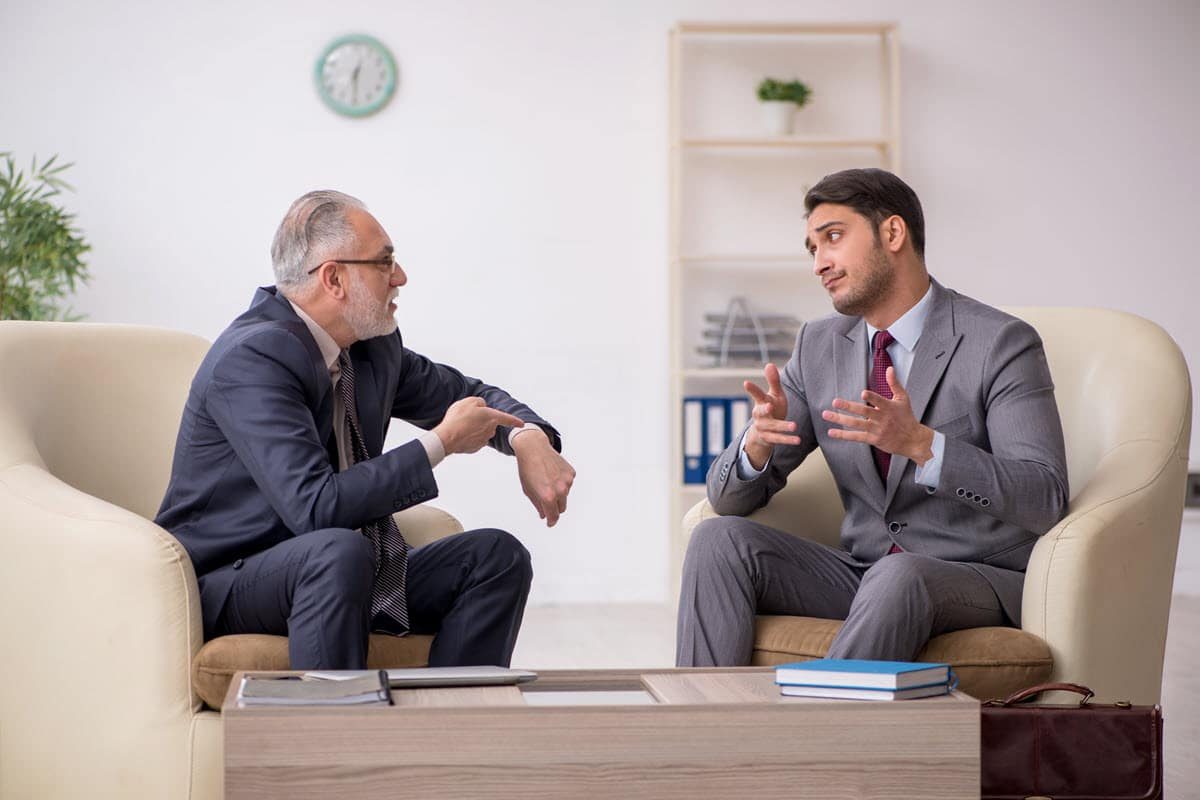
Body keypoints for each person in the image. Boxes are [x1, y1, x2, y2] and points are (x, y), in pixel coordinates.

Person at [156, 189, 576, 670]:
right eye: (385, 262)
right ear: (334, 278)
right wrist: (441, 443)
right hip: (234, 579)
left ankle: (454, 728)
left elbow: (467, 393)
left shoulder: (372, 348)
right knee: (336, 550)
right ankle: (344, 737)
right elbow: (315, 508)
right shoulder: (253, 358)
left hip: (344, 568)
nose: (400, 277)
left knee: (495, 558)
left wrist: (528, 437)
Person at [676, 168, 1068, 666]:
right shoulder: (818, 345)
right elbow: (727, 499)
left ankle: (820, 740)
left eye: (833, 238)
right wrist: (756, 445)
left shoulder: (1000, 342)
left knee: (898, 575)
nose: (820, 263)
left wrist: (924, 446)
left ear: (893, 233)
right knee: (718, 539)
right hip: (864, 571)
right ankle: (710, 735)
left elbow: (1045, 496)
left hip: (972, 577)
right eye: (811, 249)